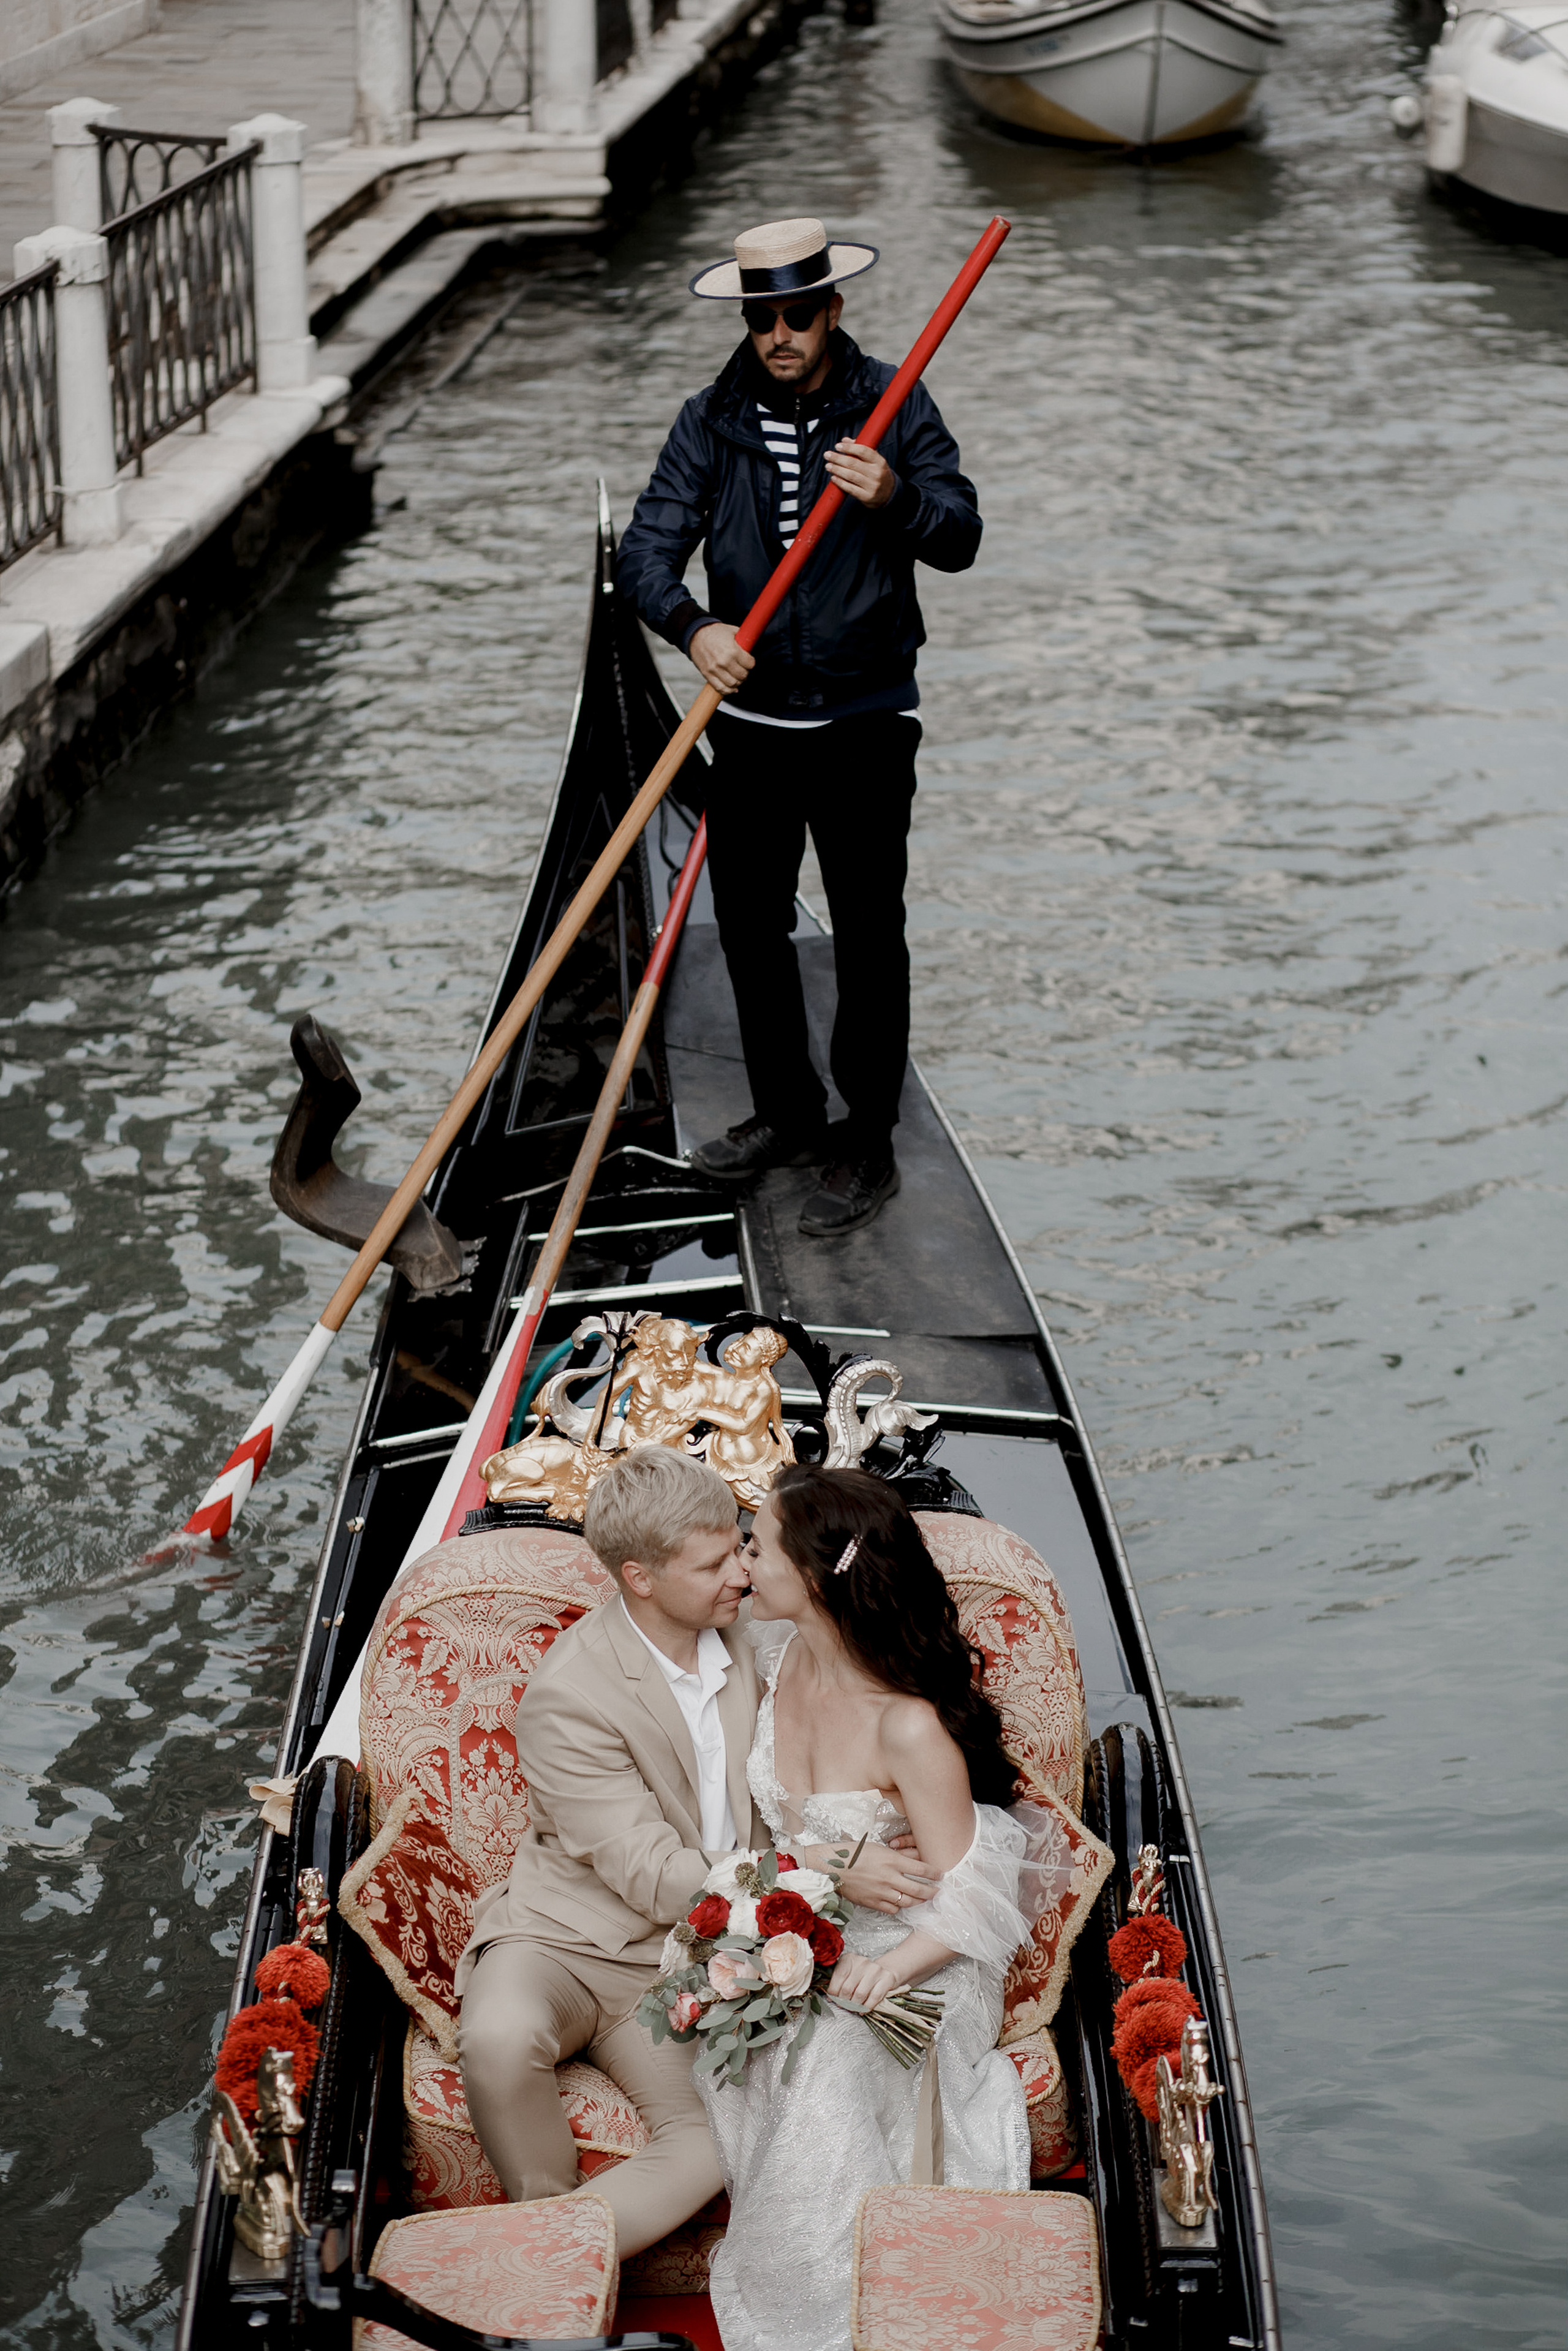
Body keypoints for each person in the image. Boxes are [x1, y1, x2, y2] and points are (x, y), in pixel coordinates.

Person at [454, 1446, 936, 2254]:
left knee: (720, 2138)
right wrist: (818, 1865)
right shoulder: (569, 1695)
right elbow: (650, 1871)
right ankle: (544, 2256)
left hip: (695, 1955)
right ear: (639, 1576)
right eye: (713, 1564)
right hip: (564, 1941)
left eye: (741, 1548)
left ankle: (530, 2258)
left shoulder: (761, 1642)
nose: (741, 1576)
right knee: (498, 2041)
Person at [616, 217, 982, 1237]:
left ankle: (866, 1133)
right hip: (758, 726)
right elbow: (646, 550)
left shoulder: (894, 405)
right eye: (761, 317)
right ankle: (786, 1111)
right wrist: (695, 631)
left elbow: (961, 534)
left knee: (869, 930)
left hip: (867, 721)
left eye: (795, 315)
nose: (778, 334)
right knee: (749, 925)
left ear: (832, 310)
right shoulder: (712, 418)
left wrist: (896, 497)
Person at [696, 1464, 1050, 2351]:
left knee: (830, 2056)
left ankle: (834, 2326)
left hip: (921, 1953)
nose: (743, 1561)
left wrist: (880, 1969)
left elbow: (976, 1888)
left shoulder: (909, 1727)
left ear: (813, 1579)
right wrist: (821, 1869)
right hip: (811, 1921)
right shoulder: (778, 1655)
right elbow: (787, 1830)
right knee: (759, 2030)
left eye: (757, 1545)